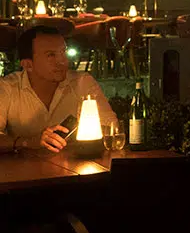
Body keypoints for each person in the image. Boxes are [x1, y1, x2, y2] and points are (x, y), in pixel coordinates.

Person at [0, 25, 117, 154]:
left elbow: (112, 128)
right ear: (28, 64)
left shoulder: (82, 82)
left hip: (74, 167)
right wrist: (28, 142)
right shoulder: (8, 87)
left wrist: (78, 132)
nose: (62, 61)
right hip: (23, 170)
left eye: (63, 52)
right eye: (51, 55)